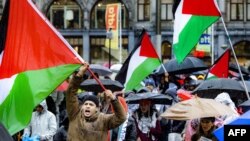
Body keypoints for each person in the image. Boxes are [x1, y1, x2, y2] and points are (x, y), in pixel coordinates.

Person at [66, 62, 126, 141]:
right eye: (86, 104)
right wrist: (79, 74)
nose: (87, 106)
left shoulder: (103, 120)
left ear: (97, 108)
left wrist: (113, 100)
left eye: (91, 105)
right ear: (82, 106)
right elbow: (71, 92)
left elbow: (121, 118)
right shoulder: (74, 114)